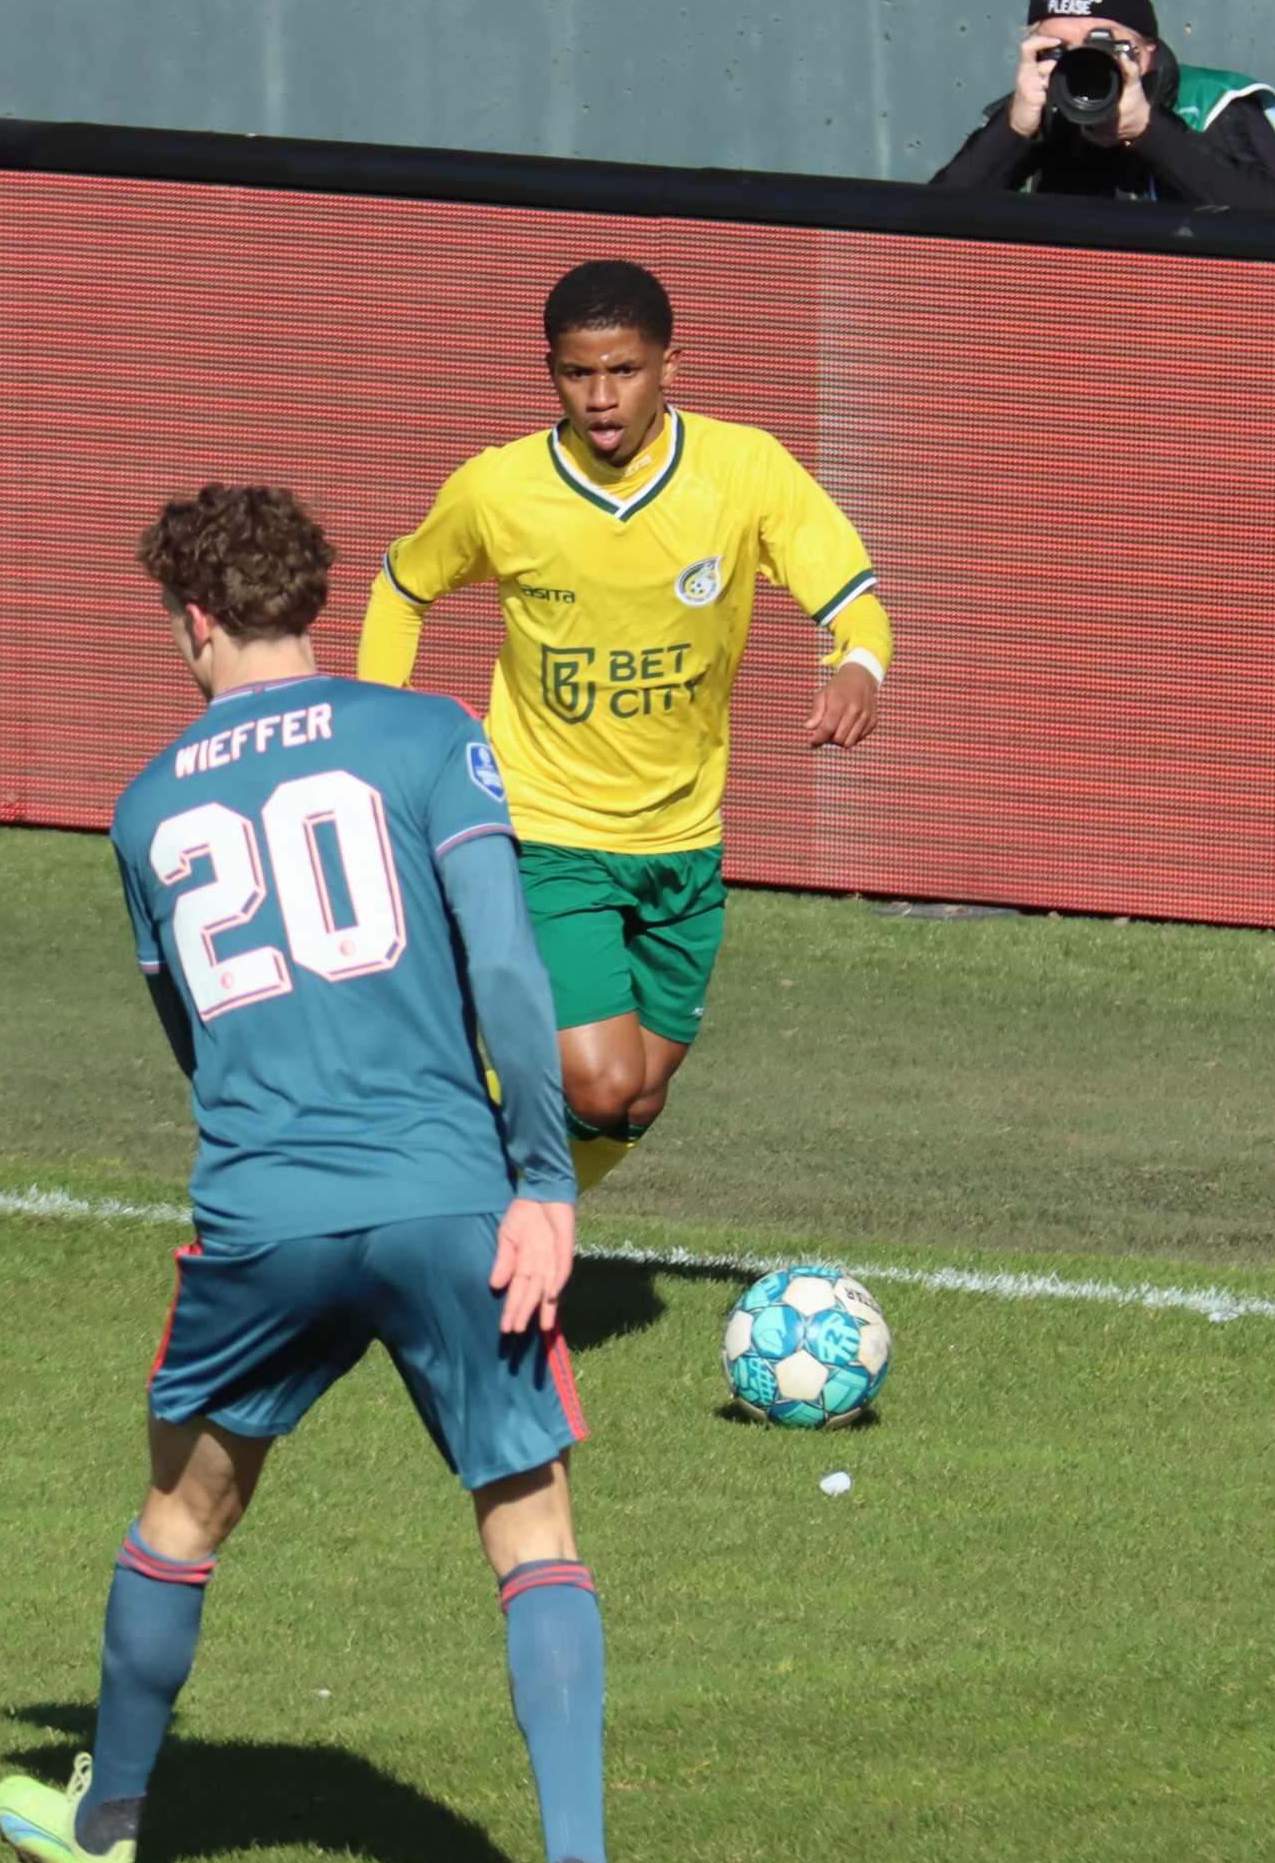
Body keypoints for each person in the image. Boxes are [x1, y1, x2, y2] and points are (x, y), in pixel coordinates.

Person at [0, 483, 678, 1863]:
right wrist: (544, 1182)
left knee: (182, 1516)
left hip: (262, 1215)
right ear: (318, 601)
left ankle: (106, 1832)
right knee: (532, 1533)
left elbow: (191, 1033)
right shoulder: (432, 740)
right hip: (446, 1199)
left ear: (190, 622)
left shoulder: (147, 806)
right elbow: (507, 973)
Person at [354, 260, 896, 1198]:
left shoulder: (743, 470)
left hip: (685, 838)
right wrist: (379, 737)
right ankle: (465, 1215)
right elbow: (401, 590)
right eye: (578, 374)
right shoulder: (499, 490)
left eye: (625, 371)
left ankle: (473, 1207)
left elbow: (853, 597)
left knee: (637, 1098)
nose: (602, 399)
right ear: (552, 370)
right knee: (599, 1079)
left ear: (670, 365)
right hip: (548, 829)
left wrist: (859, 666)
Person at [929, 0, 1275, 210]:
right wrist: (1015, 130)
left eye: (1100, 44)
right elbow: (929, 228)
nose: (1079, 63)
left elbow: (1273, 216)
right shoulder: (1026, 118)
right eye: (1058, 47)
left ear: (1146, 47)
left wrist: (1147, 130)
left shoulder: (1213, 103)